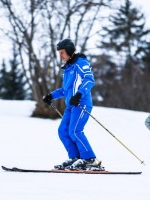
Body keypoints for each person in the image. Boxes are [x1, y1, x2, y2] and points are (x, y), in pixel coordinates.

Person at [43, 38, 100, 170]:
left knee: (75, 131)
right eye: (59, 53)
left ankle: (90, 159)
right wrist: (51, 96)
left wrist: (79, 94)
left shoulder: (81, 63)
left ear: (69, 50)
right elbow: (65, 90)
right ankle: (75, 157)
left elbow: (89, 79)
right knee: (63, 131)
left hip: (82, 103)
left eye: (62, 52)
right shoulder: (68, 69)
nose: (60, 55)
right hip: (71, 106)